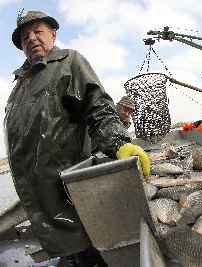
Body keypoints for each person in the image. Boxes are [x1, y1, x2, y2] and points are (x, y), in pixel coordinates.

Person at [6, 10, 151, 266]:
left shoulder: (69, 62)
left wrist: (119, 143)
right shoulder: (20, 84)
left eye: (37, 31)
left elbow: (97, 106)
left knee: (90, 249)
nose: (31, 38)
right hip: (42, 199)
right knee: (70, 251)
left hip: (70, 192)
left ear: (53, 33)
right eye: (25, 36)